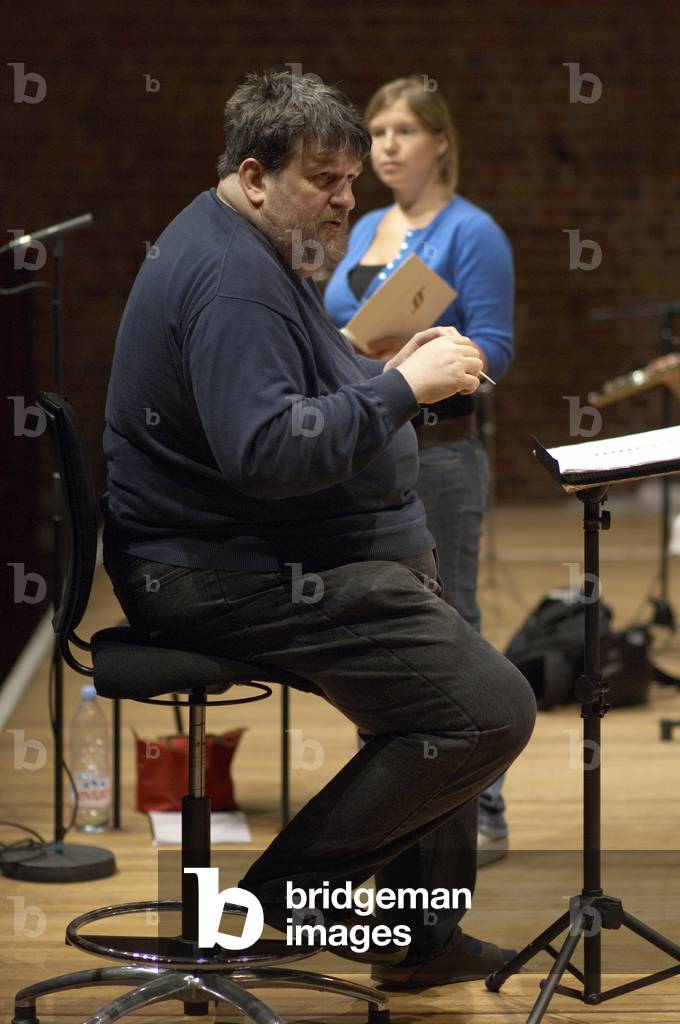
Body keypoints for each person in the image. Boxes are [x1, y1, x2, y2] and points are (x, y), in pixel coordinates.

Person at [102, 69, 536, 990]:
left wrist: (388, 362)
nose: (348, 199)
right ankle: (259, 920)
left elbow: (314, 367)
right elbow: (265, 450)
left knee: (440, 671)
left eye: (352, 181)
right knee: (490, 710)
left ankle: (419, 941)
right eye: (326, 181)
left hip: (244, 554)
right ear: (256, 176)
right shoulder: (231, 279)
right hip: (212, 574)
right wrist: (399, 391)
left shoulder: (254, 240)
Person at [324, 76, 512, 864]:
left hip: (438, 452)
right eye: (378, 130)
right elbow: (325, 325)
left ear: (440, 141)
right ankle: (401, 796)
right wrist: (353, 347)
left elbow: (496, 348)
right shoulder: (364, 222)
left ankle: (482, 810)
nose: (388, 145)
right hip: (363, 453)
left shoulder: (473, 231)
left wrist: (424, 348)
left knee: (453, 622)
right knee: (382, 628)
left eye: (404, 129)